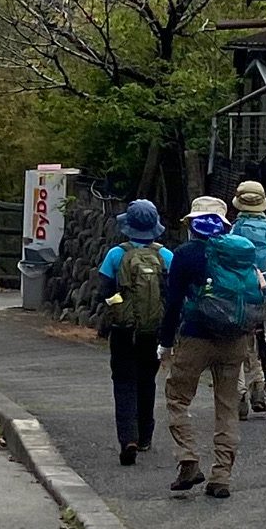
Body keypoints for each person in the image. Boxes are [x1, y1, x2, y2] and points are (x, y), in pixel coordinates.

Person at [159, 195, 266, 501]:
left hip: (195, 337)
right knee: (227, 406)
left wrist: (166, 342)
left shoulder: (185, 254)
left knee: (178, 397)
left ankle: (188, 458)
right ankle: (222, 477)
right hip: (234, 340)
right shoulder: (239, 253)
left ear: (193, 224)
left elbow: (173, 303)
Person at [98, 199, 173, 466]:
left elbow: (104, 291)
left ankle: (127, 437)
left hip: (123, 330)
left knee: (124, 382)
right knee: (146, 380)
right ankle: (144, 436)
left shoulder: (116, 255)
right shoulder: (166, 257)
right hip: (153, 331)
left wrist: (120, 309)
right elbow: (172, 295)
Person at [229, 180, 266, 419]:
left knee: (238, 343)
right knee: (259, 338)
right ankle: (259, 387)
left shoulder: (234, 229)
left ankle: (240, 394)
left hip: (240, 293)